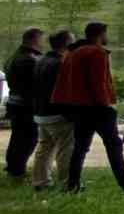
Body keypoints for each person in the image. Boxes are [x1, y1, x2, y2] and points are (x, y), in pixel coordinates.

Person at [53, 22, 124, 193]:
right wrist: (106, 104)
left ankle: (72, 185)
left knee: (80, 147)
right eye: (105, 34)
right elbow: (98, 83)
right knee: (114, 145)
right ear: (100, 34)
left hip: (78, 108)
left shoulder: (72, 53)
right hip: (96, 108)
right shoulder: (96, 52)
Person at [30, 30, 74, 192]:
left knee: (44, 148)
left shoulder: (41, 61)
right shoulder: (60, 64)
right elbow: (64, 91)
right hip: (58, 114)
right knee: (65, 150)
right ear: (67, 43)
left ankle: (40, 181)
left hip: (41, 113)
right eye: (72, 41)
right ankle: (67, 184)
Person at [4, 28, 43, 179]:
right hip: (25, 105)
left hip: (15, 102)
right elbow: (35, 84)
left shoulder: (13, 56)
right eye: (41, 39)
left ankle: (13, 166)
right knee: (29, 138)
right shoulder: (28, 59)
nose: (42, 43)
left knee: (17, 137)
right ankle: (18, 169)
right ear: (34, 40)